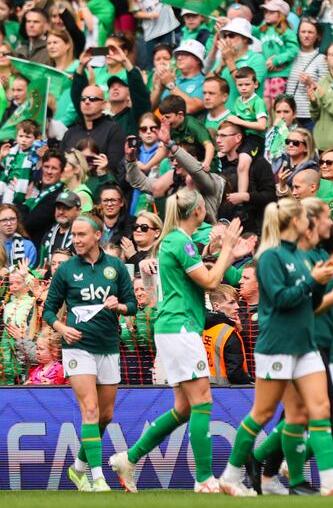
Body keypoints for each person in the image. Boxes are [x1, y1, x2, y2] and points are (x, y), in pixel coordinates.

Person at [218, 198, 333, 496]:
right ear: (294, 223)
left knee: (320, 408)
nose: (310, 222)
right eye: (304, 217)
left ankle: (331, 481)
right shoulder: (270, 258)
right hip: (277, 344)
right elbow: (280, 300)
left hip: (305, 344)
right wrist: (314, 280)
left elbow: (312, 302)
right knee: (262, 413)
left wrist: (331, 274)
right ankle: (230, 474)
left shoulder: (302, 258)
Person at [109, 191, 242, 493]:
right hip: (179, 327)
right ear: (197, 211)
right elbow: (210, 282)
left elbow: (203, 273)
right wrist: (229, 249)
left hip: (174, 327)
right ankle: (204, 479)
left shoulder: (176, 241)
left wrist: (222, 252)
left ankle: (129, 459)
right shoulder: (179, 241)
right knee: (202, 401)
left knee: (184, 407)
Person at [43, 213, 136, 492]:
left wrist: (118, 306)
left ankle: (78, 468)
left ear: (98, 236)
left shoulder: (116, 268)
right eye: (74, 234)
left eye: (82, 234)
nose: (76, 239)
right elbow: (48, 309)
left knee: (105, 415)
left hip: (108, 346)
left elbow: (132, 304)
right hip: (77, 347)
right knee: (91, 410)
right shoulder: (66, 270)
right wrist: (61, 328)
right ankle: (97, 478)